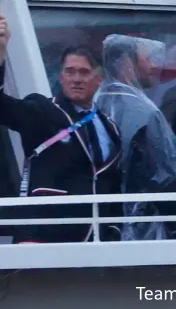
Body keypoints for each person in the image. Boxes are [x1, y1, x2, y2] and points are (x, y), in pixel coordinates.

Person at [0, 19, 121, 243]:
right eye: (70, 71)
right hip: (44, 238)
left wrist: (114, 229)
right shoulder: (42, 111)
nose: (76, 79)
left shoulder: (110, 127)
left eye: (84, 72)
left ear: (99, 80)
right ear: (61, 76)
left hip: (96, 242)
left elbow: (112, 184)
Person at [94, 34, 176, 240]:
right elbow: (168, 174)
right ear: (126, 62)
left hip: (100, 222)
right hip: (140, 227)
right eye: (148, 59)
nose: (153, 66)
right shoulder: (145, 112)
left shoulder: (93, 102)